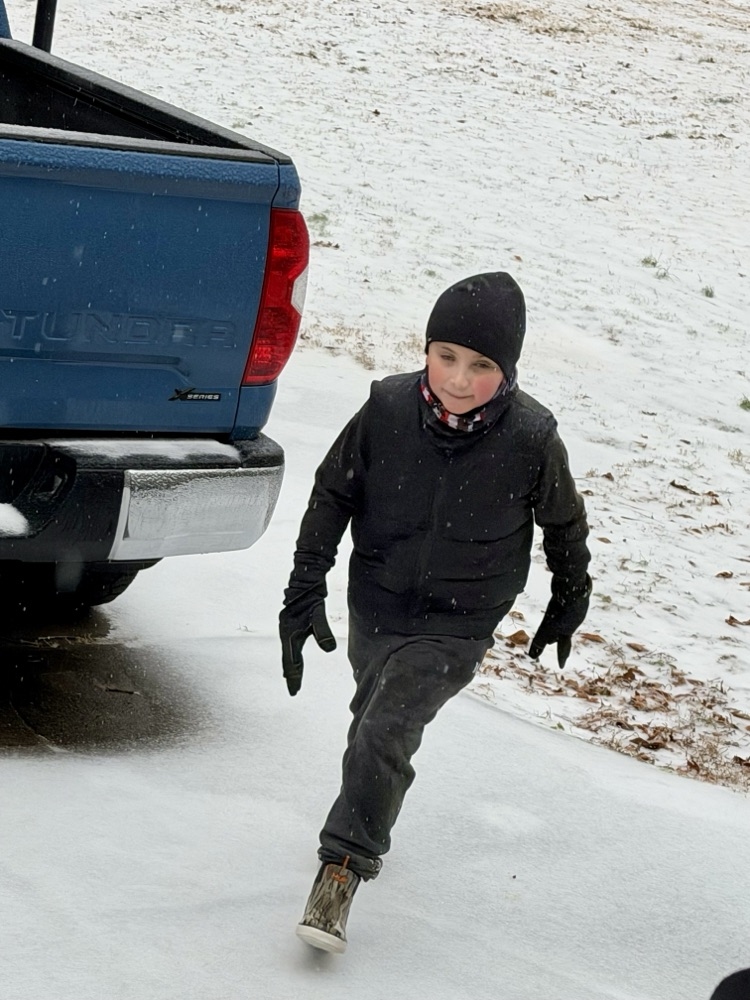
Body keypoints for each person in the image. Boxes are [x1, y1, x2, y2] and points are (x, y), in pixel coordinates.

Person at [279, 272, 591, 954]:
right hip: (379, 599)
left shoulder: (532, 438)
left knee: (388, 723)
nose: (458, 378)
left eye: (482, 366)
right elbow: (333, 492)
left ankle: (343, 866)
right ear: (426, 349)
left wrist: (571, 596)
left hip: (462, 615)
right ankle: (367, 803)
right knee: (374, 720)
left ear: (506, 370)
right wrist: (306, 584)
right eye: (446, 355)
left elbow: (564, 523)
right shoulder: (386, 408)